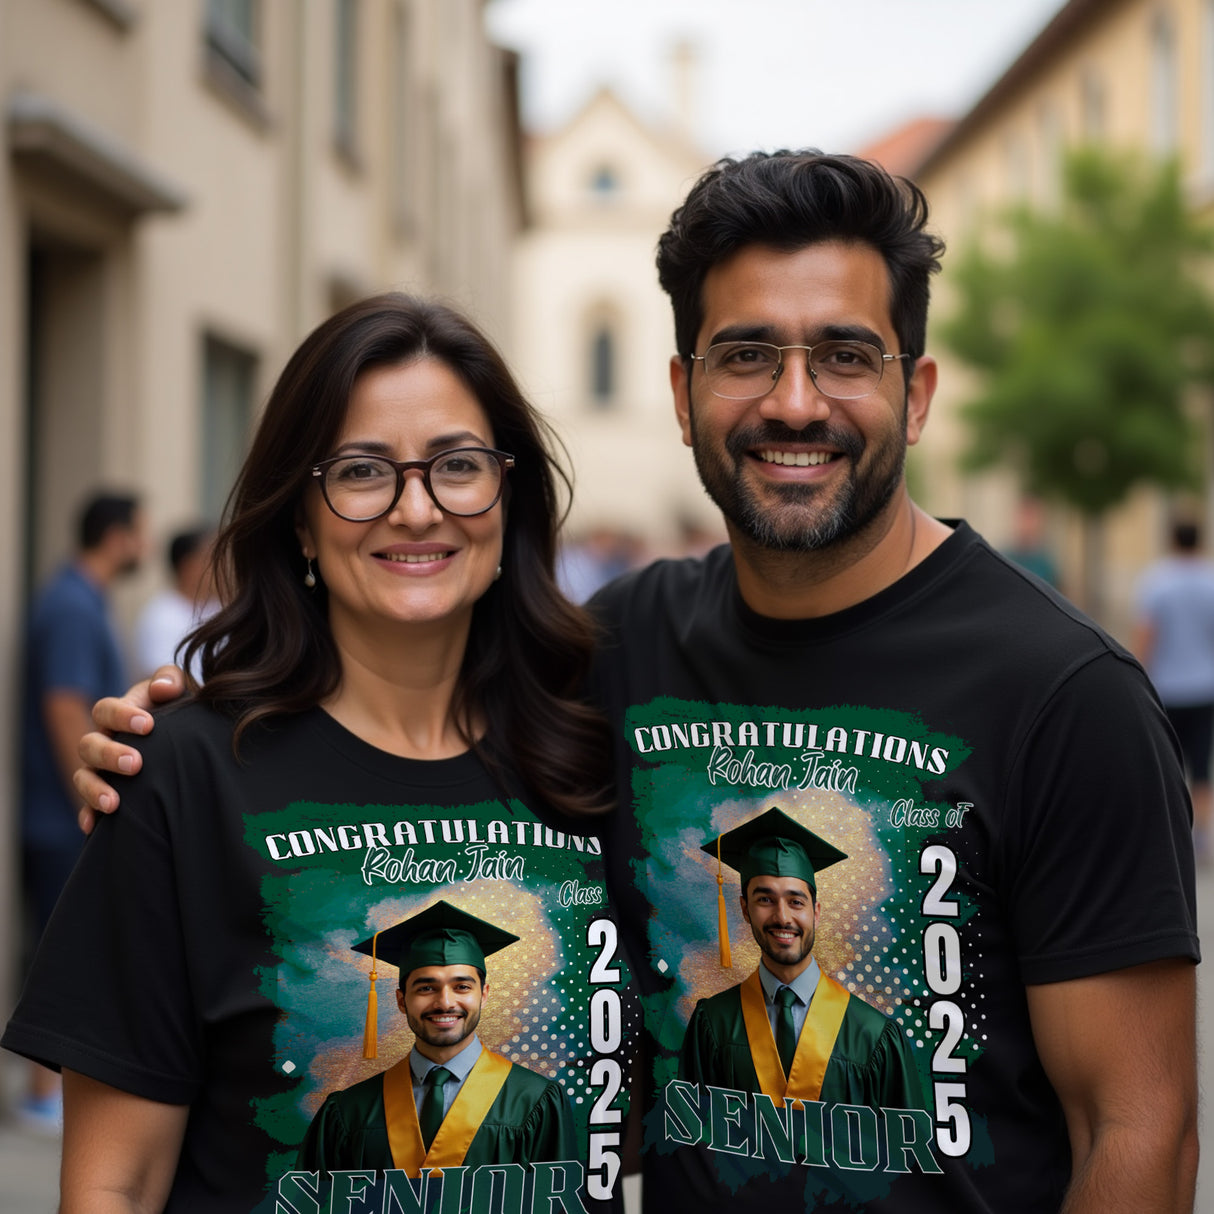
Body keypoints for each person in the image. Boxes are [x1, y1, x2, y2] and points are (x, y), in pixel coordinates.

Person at [76, 153, 1198, 1212]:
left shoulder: (1062, 693)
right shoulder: (612, 652)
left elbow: (1137, 1127)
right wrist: (165, 747)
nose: (794, 402)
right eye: (745, 354)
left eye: (846, 356)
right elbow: (379, 704)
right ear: (682, 390)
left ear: (915, 394)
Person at [5, 294, 629, 1213]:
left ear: (509, 500)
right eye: (361, 471)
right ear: (299, 519)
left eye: (458, 465)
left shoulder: (591, 761)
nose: (416, 508)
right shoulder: (186, 778)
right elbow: (115, 1187)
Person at [17, 490, 145, 1132]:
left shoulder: (82, 599)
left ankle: (46, 1091)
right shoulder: (71, 605)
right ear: (117, 536)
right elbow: (65, 706)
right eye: (139, 532)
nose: (144, 545)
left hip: (60, 815)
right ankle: (43, 1094)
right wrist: (91, 803)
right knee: (62, 948)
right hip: (62, 817)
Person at [298, 900, 576, 1177]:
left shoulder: (534, 1101)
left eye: (462, 986)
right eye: (426, 988)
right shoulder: (349, 1111)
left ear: (484, 995)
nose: (445, 1002)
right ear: (401, 1000)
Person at [677, 809, 923, 1113]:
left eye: (796, 901)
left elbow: (905, 1141)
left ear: (815, 912)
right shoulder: (713, 1025)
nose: (782, 917)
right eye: (765, 900)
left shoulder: (872, 1035)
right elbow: (692, 1136)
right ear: (744, 909)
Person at [1133, 518, 1214, 859]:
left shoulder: (1157, 581)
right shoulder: (1210, 581)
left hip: (1166, 689)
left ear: (1172, 540)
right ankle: (1202, 836)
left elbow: (1146, 635)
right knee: (1202, 764)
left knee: (1168, 763)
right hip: (1204, 688)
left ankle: (1172, 831)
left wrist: (1138, 674)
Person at [133, 526, 219, 679]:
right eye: (212, 558)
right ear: (188, 566)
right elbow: (162, 679)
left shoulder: (220, 608)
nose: (221, 566)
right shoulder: (162, 616)